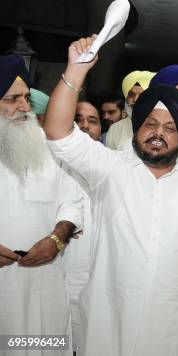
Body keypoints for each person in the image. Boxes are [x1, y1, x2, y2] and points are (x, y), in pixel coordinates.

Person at [43, 36, 178, 356]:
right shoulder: (109, 168)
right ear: (136, 127)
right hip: (109, 317)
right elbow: (58, 132)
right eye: (151, 124)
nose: (159, 133)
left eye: (170, 127)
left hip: (169, 320)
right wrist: (75, 72)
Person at [0, 54, 83, 356]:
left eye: (26, 97)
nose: (24, 107)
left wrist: (57, 238)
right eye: (12, 99)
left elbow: (72, 203)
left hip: (43, 282)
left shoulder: (49, 145)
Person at [105, 69, 155, 149]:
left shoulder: (162, 127)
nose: (135, 99)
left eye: (142, 95)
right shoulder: (115, 129)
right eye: (131, 95)